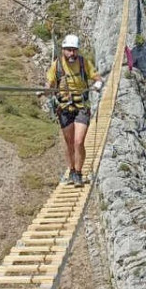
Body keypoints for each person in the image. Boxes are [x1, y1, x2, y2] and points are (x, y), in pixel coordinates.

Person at [46, 34, 102, 186]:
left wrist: (97, 84)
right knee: (69, 142)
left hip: (81, 107)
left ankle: (78, 173)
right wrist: (45, 90)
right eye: (69, 50)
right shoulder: (57, 66)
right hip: (64, 108)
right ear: (63, 50)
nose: (72, 54)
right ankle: (71, 171)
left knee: (78, 141)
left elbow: (96, 77)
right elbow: (50, 83)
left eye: (74, 50)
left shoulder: (84, 63)